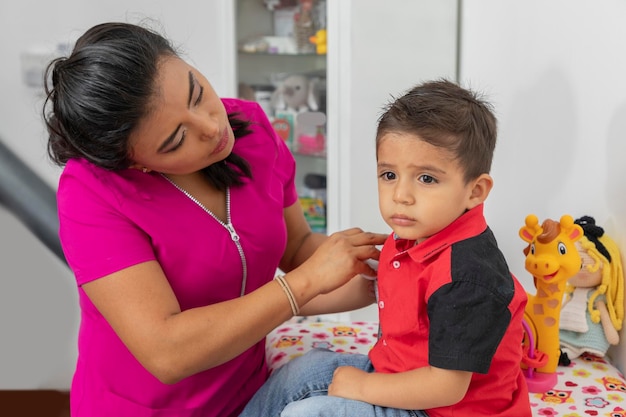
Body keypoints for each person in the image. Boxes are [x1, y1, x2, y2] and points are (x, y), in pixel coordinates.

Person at [42, 22, 387, 417]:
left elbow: (297, 250)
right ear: (135, 162)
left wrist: (389, 271)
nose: (211, 127)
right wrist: (303, 283)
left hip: (248, 395)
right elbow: (167, 351)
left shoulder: (253, 128)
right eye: (175, 140)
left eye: (197, 93)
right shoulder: (93, 193)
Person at [240, 79, 532, 417]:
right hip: (399, 377)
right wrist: (274, 305)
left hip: (444, 408)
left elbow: (447, 387)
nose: (400, 196)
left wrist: (362, 387)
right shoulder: (414, 234)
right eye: (389, 175)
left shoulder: (468, 276)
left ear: (475, 191)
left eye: (426, 179)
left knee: (307, 414)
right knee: (302, 372)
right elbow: (372, 286)